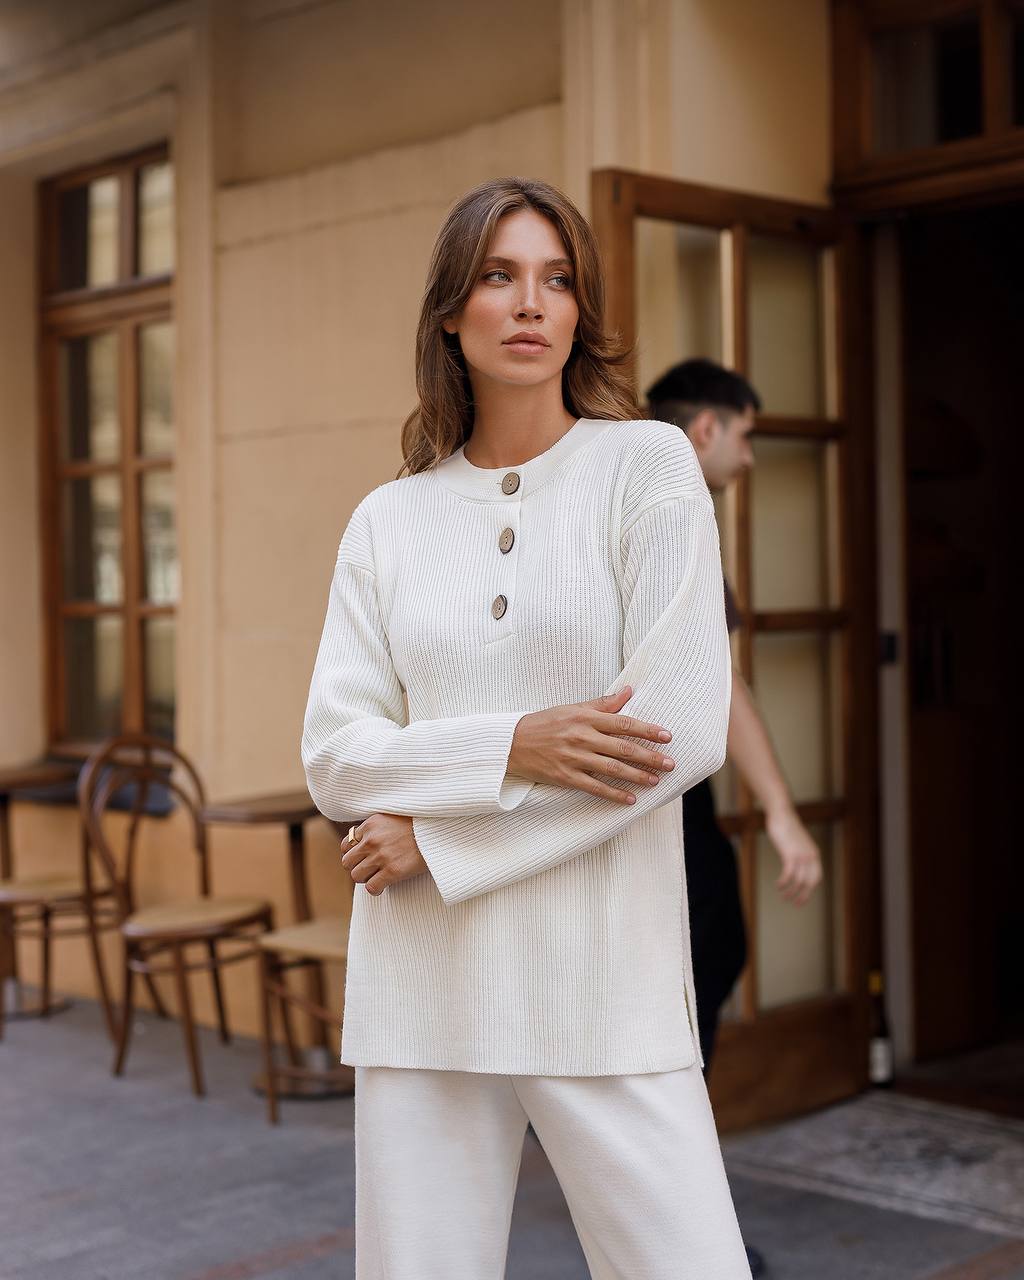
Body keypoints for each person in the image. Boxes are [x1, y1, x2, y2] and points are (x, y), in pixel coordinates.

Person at [301, 179, 751, 1279]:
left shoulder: (645, 468)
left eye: (556, 279)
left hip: (599, 976)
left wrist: (443, 834)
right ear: (451, 311)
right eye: (498, 276)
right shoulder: (388, 520)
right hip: (424, 982)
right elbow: (335, 752)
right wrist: (513, 746)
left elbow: (679, 728)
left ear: (581, 310)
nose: (528, 303)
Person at [646, 358, 825, 1279]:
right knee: (684, 1006)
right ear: (707, 429)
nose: (750, 459)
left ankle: (683, 1224)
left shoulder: (624, 482)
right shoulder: (666, 501)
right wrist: (787, 817)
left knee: (695, 985)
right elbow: (717, 685)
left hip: (655, 803)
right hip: (654, 807)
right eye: (747, 435)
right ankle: (686, 1236)